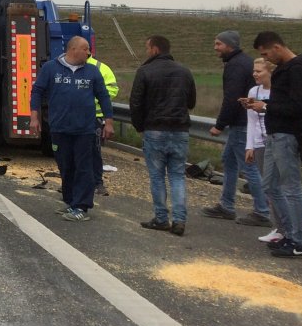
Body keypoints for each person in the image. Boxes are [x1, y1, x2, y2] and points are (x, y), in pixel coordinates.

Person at [29, 36, 113, 222]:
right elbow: (37, 91)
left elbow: (104, 97)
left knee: (84, 168)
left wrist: (109, 121)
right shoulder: (51, 68)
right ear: (73, 49)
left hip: (85, 129)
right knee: (66, 166)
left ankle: (81, 206)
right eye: (85, 49)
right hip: (59, 128)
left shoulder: (92, 71)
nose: (89, 52)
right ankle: (70, 201)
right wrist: (34, 117)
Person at [244, 32, 302, 258]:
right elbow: (284, 102)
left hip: (287, 135)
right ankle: (287, 233)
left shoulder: (298, 68)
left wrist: (267, 107)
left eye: (266, 54)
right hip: (272, 135)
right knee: (269, 186)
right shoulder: (284, 70)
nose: (266, 59)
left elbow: (300, 106)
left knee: (291, 189)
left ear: (277, 47)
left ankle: (300, 241)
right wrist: (262, 104)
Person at [130, 36, 197, 236]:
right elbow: (191, 102)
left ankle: (161, 218)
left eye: (147, 47)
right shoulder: (185, 71)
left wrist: (139, 126)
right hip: (180, 130)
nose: (146, 51)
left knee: (157, 176)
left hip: (155, 129)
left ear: (155, 49)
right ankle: (179, 220)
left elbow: (136, 103)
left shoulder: (144, 71)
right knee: (177, 176)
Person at [204, 30, 270, 226]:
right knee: (229, 160)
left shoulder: (235, 65)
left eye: (218, 44)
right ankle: (226, 206)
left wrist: (219, 125)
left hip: (241, 124)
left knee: (248, 168)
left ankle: (262, 211)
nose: (215, 48)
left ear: (229, 45)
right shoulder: (243, 62)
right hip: (242, 122)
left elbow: (231, 98)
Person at [244, 58, 284, 245]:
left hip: (277, 140)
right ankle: (279, 227)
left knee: (279, 187)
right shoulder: (254, 91)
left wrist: (264, 106)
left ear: (270, 72)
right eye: (254, 71)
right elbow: (251, 120)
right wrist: (249, 145)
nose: (255, 74)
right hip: (260, 142)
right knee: (268, 187)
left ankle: (287, 227)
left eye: (259, 71)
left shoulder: (279, 90)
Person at [87, 54, 119, 196]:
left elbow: (112, 89)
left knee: (94, 152)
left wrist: (90, 99)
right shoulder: (70, 66)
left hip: (95, 117)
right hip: (75, 117)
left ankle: (97, 183)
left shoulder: (100, 68)